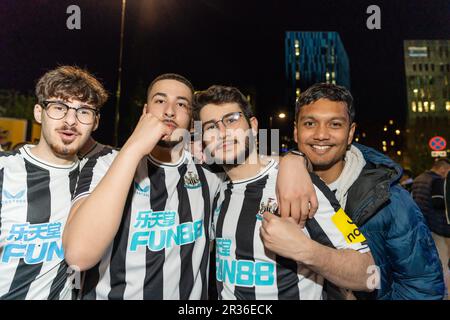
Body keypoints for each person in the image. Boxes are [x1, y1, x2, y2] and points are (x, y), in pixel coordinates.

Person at [193, 85, 375, 300]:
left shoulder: (302, 185)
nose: (223, 133)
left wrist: (305, 250)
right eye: (211, 127)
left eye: (232, 119)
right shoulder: (216, 189)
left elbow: (368, 274)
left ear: (252, 126)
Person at [272, 83, 445, 300]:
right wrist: (289, 160)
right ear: (296, 132)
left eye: (335, 124)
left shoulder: (390, 200)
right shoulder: (273, 190)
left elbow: (422, 286)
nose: (321, 135)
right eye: (310, 123)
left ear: (350, 132)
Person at [0, 65, 107, 299]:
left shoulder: (99, 180)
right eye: (59, 107)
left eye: (84, 111)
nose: (70, 120)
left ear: (95, 122)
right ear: (38, 112)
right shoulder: (4, 170)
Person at [412, 158, 450, 298]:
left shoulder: (418, 178)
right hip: (436, 226)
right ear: (442, 169)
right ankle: (443, 292)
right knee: (443, 261)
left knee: (428, 261)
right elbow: (439, 204)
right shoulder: (437, 181)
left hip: (421, 225)